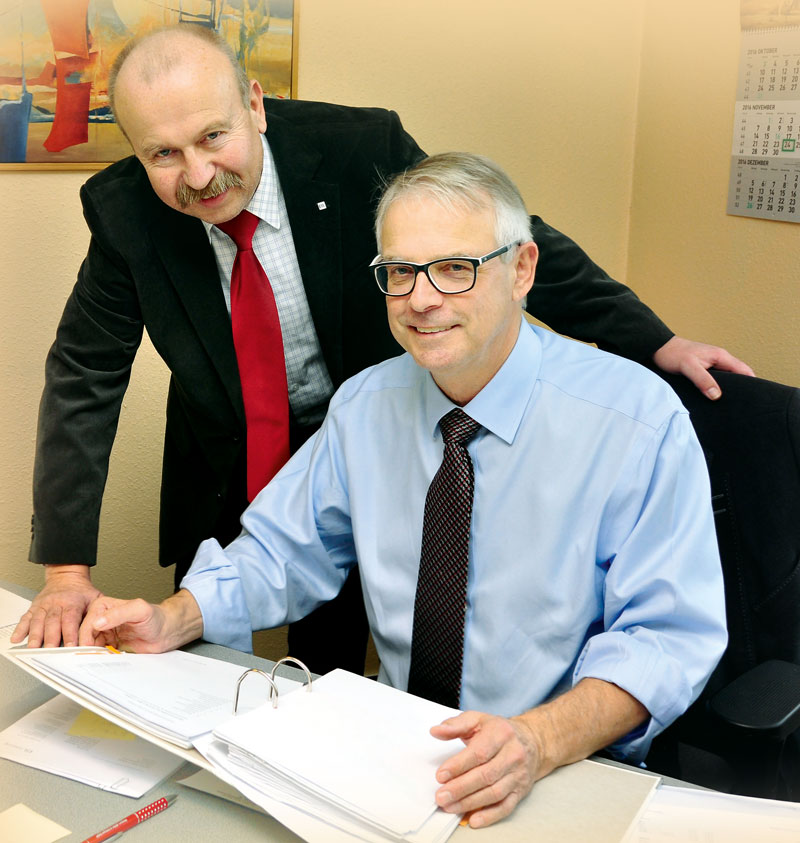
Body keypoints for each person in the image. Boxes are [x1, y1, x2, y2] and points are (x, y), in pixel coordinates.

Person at [13, 24, 747, 657]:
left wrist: (654, 341)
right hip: (223, 456)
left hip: (365, 437)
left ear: (256, 106)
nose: (199, 175)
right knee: (193, 647)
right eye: (163, 155)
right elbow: (85, 374)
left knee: (343, 654)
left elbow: (502, 238)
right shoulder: (125, 214)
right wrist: (67, 570)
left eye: (212, 136)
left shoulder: (357, 147)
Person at [77, 152, 727, 829]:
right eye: (399, 273)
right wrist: (174, 617)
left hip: (562, 766)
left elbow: (664, 638)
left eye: (455, 268)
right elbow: (280, 551)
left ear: (523, 270)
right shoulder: (366, 405)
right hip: (401, 762)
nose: (421, 299)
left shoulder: (636, 422)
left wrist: (537, 741)